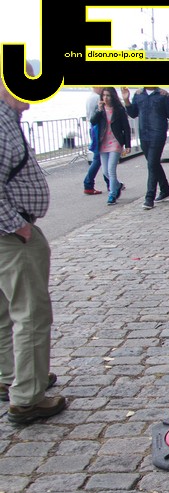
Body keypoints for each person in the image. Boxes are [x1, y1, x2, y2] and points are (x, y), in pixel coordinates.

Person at [0, 62, 66, 425]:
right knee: (31, 314)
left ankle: (12, 376)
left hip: (11, 232)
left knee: (6, 311)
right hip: (11, 235)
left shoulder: (8, 119)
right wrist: (18, 226)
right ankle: (27, 396)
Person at [121, 86, 169, 210]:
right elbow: (133, 113)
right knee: (154, 164)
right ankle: (165, 190)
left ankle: (149, 197)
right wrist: (126, 100)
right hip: (144, 135)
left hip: (158, 134)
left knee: (152, 164)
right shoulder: (138, 95)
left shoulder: (163, 95)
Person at [90, 87, 131, 206]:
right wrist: (99, 110)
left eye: (108, 95)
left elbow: (126, 128)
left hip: (115, 142)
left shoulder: (119, 110)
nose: (106, 98)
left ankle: (112, 195)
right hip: (103, 142)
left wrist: (127, 144)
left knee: (111, 170)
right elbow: (93, 121)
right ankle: (118, 185)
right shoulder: (100, 109)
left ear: (113, 96)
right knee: (105, 172)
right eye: (104, 95)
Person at [81, 86, 108, 195]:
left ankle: (110, 182)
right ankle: (88, 183)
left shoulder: (90, 97)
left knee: (101, 158)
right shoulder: (97, 98)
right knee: (99, 158)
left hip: (93, 129)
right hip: (98, 129)